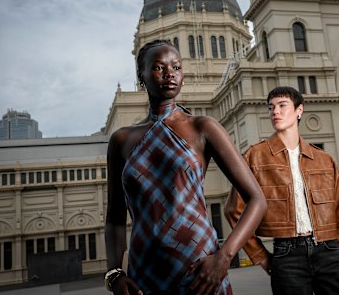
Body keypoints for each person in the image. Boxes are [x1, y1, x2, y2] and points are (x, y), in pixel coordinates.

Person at [104, 39, 267, 295]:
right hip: (143, 274)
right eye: (159, 68)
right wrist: (114, 273)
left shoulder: (202, 128)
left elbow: (257, 199)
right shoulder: (121, 140)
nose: (170, 74)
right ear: (141, 75)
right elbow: (114, 217)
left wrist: (224, 257)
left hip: (201, 270)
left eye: (176, 67)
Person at [225, 86, 339, 294]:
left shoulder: (324, 160)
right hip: (287, 255)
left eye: (282, 106)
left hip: (330, 253)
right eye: (271, 107)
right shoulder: (255, 156)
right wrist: (260, 256)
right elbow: (234, 210)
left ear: (299, 110)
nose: (275, 112)